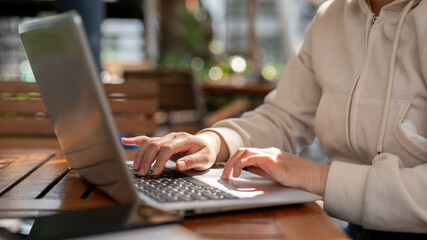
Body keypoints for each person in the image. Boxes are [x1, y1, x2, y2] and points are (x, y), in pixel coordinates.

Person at [122, 0, 427, 238]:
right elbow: (285, 115)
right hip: (354, 228)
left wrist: (318, 178)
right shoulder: (330, 17)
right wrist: (215, 141)